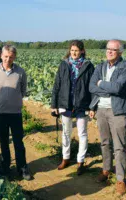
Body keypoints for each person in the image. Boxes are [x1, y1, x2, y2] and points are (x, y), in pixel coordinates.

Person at [89, 40, 126, 195]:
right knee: (104, 142)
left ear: (120, 52)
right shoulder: (100, 66)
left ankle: (121, 179)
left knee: (120, 146)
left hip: (118, 110)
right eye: (108, 49)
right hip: (101, 109)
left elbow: (118, 88)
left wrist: (101, 83)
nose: (110, 52)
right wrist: (107, 89)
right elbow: (91, 86)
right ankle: (106, 169)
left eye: (113, 50)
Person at [0, 45, 31, 180]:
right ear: (1, 56)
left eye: (11, 57)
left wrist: (15, 101)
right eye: (6, 56)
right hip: (1, 113)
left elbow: (23, 90)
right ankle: (5, 166)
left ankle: (22, 168)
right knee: (4, 141)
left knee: (18, 141)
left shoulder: (20, 72)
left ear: (14, 57)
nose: (8, 59)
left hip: (15, 112)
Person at [51, 40, 95, 175]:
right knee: (66, 133)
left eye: (76, 50)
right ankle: (66, 158)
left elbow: (93, 87)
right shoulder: (64, 65)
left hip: (82, 104)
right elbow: (57, 85)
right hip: (66, 104)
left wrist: (92, 107)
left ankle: (80, 161)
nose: (74, 53)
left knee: (82, 133)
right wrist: (54, 105)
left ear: (82, 51)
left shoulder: (88, 66)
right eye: (72, 50)